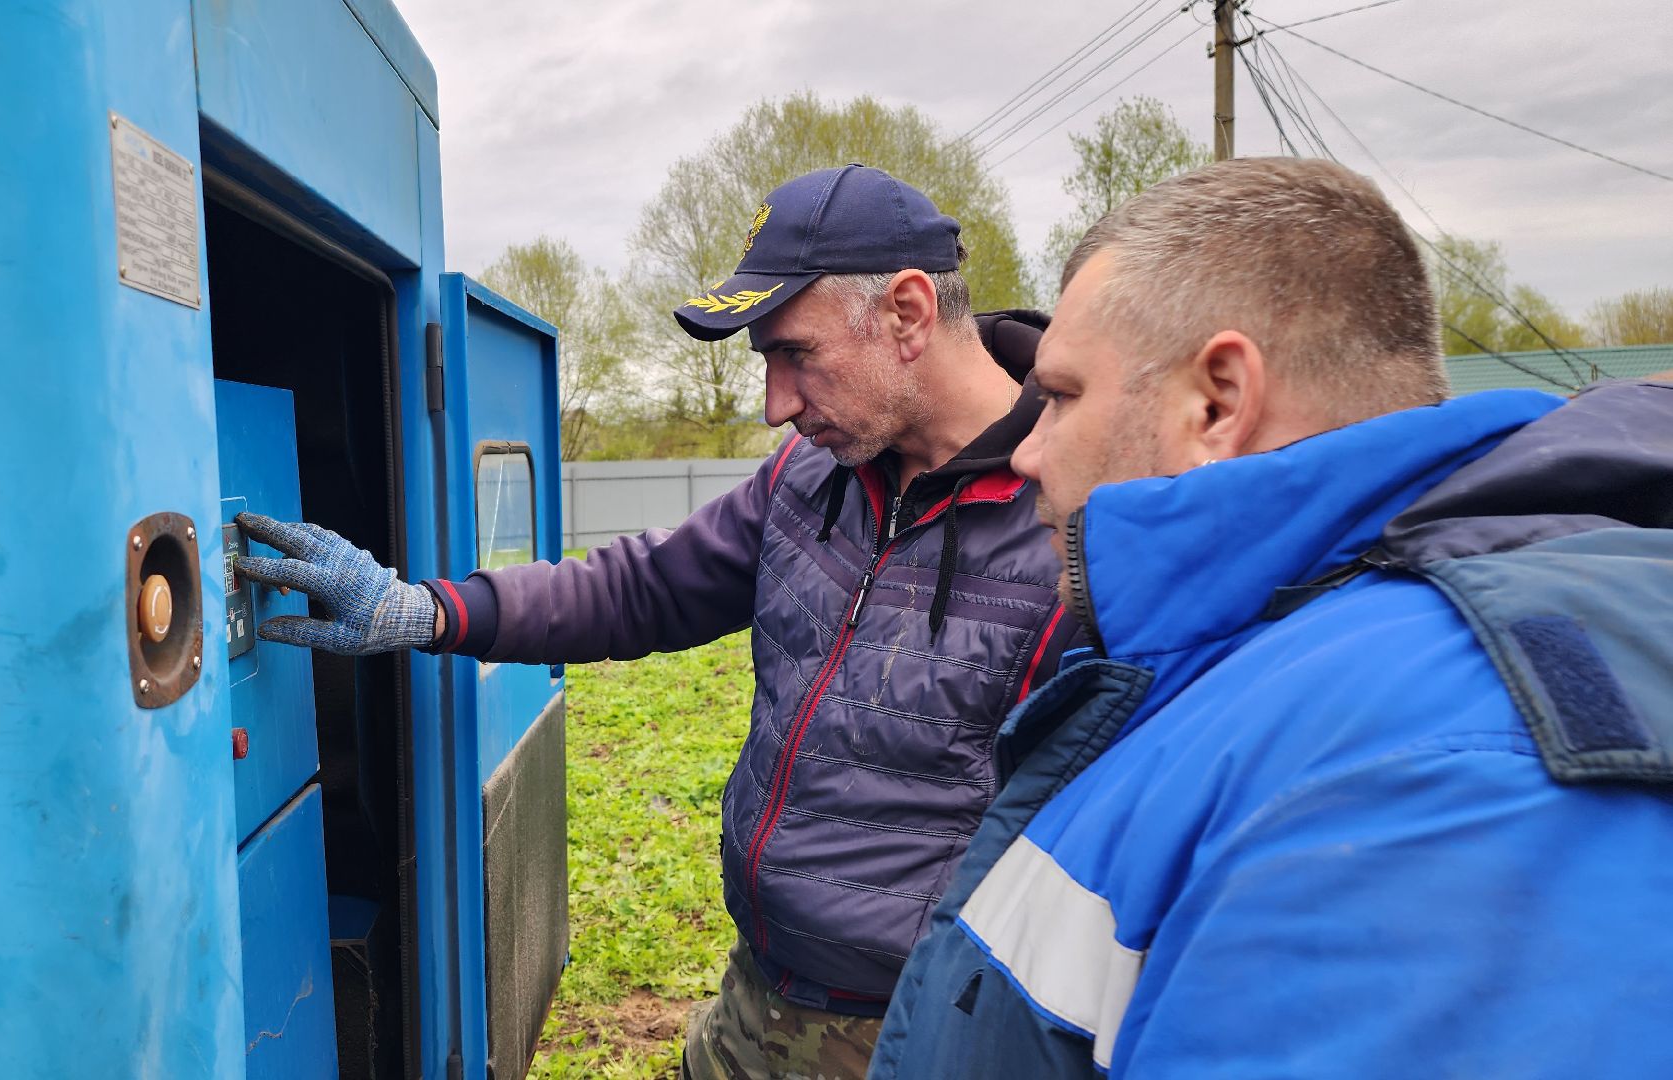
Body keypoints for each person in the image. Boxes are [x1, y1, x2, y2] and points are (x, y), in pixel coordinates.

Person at [236, 164, 1077, 1078]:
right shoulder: (808, 478)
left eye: (796, 353)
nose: (775, 406)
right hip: (759, 990)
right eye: (765, 363)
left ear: (909, 313)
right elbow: (643, 586)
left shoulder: (1074, 528)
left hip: (917, 1033)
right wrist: (426, 610)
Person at [867, 156, 1673, 1078]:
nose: (1031, 453)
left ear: (1219, 401)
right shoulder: (1265, 642)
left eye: (1062, 396)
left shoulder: (1440, 774)